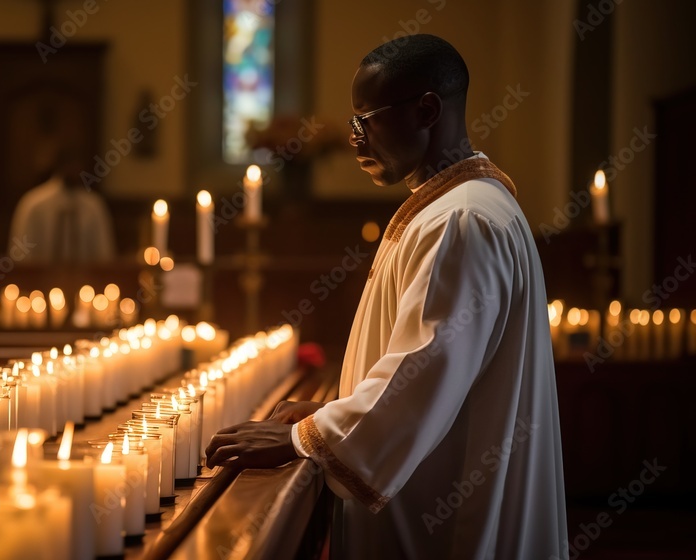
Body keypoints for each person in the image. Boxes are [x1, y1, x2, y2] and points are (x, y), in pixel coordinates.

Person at [205, 34, 568, 558]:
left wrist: (303, 438)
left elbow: (427, 370)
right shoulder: (456, 207)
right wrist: (337, 410)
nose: (354, 139)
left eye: (365, 120)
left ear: (426, 110)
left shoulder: (461, 220)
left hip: (446, 516)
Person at [8, 146, 116, 263]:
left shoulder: (93, 206)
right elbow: (20, 255)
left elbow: (104, 254)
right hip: (41, 278)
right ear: (59, 166)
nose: (74, 169)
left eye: (77, 165)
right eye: (70, 165)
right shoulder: (34, 204)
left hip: (85, 278)